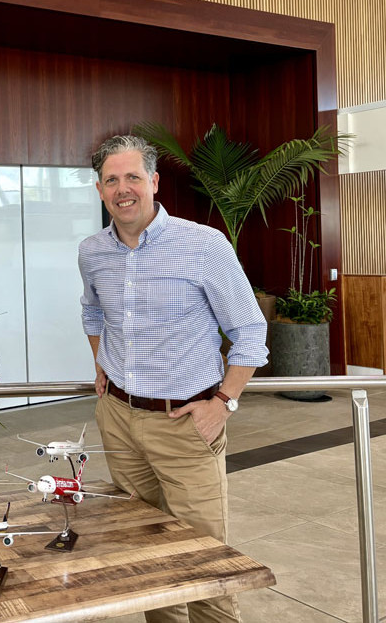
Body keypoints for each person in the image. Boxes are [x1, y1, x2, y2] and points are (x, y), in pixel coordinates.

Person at [79, 134, 267, 623]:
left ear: (155, 182)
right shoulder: (92, 251)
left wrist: (224, 401)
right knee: (145, 556)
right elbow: (93, 312)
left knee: (205, 561)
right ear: (100, 189)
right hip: (119, 420)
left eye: (133, 177)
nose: (124, 189)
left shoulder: (203, 244)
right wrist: (102, 364)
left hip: (186, 422)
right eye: (112, 180)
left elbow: (249, 329)